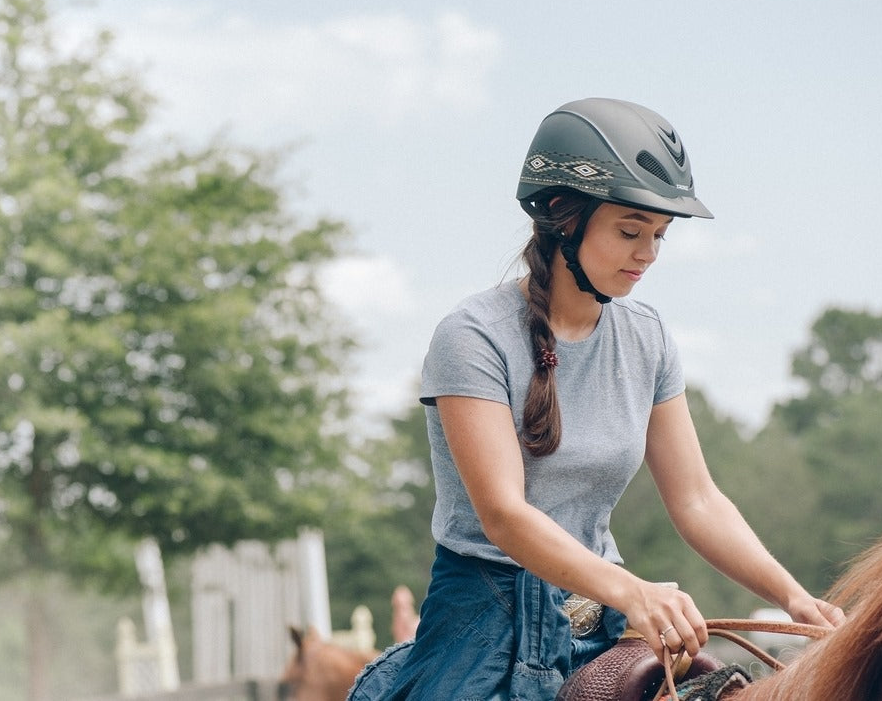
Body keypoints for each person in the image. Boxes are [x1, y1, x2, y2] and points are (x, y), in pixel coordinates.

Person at [348, 98, 844, 700]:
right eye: (630, 230)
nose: (648, 254)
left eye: (660, 235)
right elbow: (504, 515)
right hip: (484, 623)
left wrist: (790, 597)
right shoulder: (471, 336)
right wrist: (632, 588)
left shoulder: (648, 338)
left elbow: (697, 499)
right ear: (563, 216)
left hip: (605, 619)